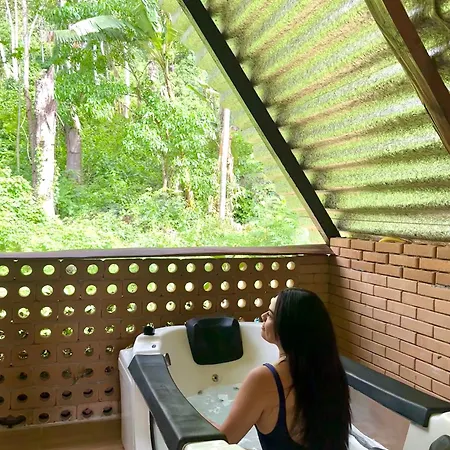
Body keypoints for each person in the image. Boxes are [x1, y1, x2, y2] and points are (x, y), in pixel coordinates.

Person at [215, 288, 351, 450]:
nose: (263, 316)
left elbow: (221, 442)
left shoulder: (264, 379)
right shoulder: (331, 374)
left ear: (287, 327)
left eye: (270, 314)